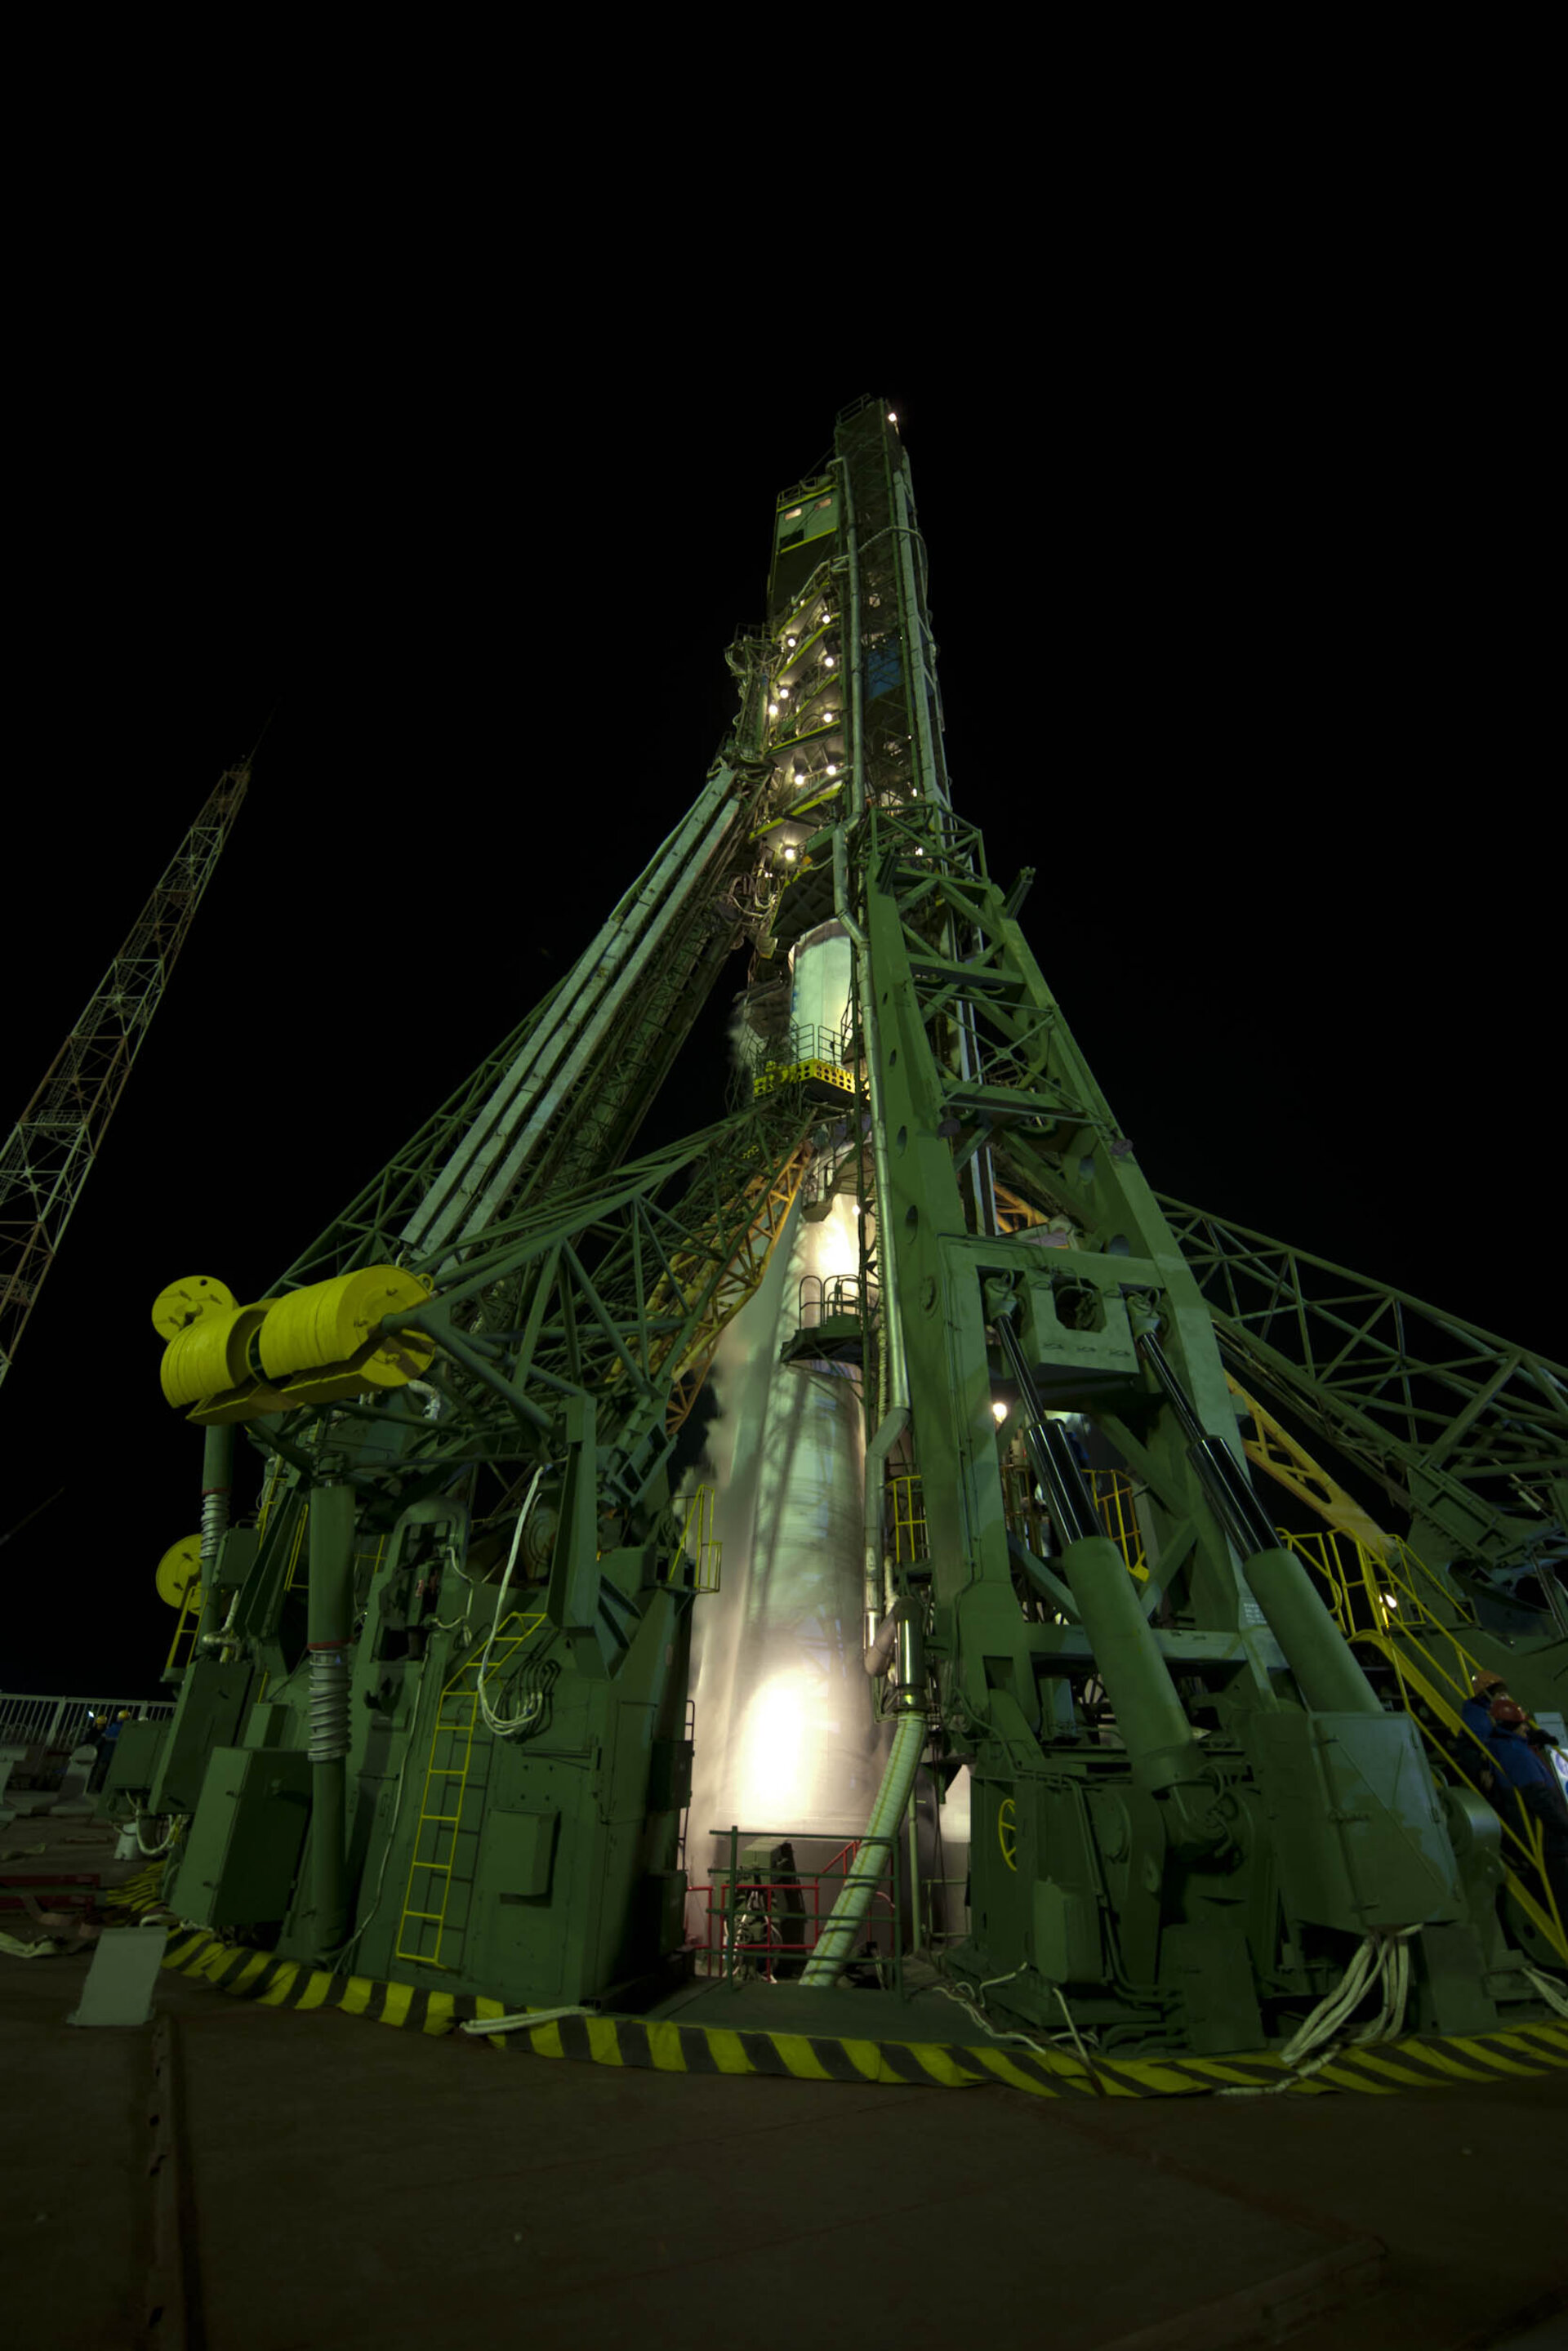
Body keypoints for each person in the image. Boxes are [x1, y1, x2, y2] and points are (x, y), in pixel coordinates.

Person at [1486, 1694, 1568, 1930]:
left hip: (1543, 1836)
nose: (1526, 1728)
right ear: (1515, 1726)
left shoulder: (1505, 1744)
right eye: (1523, 1725)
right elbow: (1539, 1798)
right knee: (1561, 1894)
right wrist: (1564, 1826)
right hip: (1547, 1839)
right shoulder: (1518, 1754)